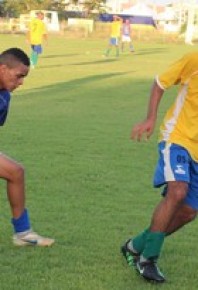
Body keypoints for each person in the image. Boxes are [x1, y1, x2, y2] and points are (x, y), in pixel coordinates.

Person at [121, 51, 198, 283]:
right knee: (177, 190)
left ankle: (134, 246)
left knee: (188, 212)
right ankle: (148, 260)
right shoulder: (194, 58)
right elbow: (159, 83)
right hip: (177, 137)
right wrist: (150, 118)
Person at [0, 47, 54, 246]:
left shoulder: (5, 96)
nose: (21, 82)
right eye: (18, 76)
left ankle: (23, 233)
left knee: (16, 172)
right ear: (3, 69)